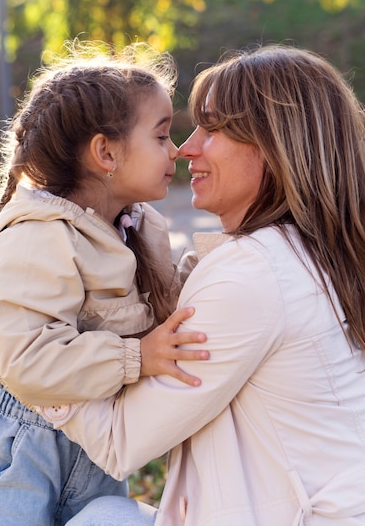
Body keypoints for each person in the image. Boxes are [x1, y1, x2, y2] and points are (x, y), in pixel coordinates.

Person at [36, 44, 365, 525]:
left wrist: (22, 343)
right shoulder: (314, 253)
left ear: (274, 146)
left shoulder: (253, 275)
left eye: (212, 129)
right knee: (106, 516)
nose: (187, 148)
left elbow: (119, 440)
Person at [0, 40, 209, 526]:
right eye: (160, 136)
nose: (176, 150)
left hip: (92, 438)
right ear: (105, 152)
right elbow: (29, 358)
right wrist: (138, 356)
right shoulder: (41, 233)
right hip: (24, 445)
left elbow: (161, 309)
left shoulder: (143, 226)